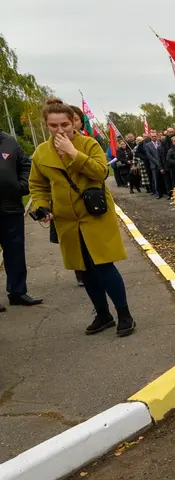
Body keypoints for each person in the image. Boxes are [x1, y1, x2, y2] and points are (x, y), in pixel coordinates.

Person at [29, 98, 135, 335]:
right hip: (67, 219)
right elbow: (38, 185)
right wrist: (42, 206)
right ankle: (103, 314)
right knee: (84, 270)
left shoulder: (88, 144)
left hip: (94, 215)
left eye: (65, 124)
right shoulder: (41, 153)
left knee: (104, 266)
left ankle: (124, 314)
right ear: (46, 125)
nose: (60, 130)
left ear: (73, 122)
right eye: (53, 126)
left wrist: (73, 153)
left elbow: (101, 172)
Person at [0, 129, 42, 310]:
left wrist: (22, 186)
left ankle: (17, 292)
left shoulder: (9, 141)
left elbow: (26, 165)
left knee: (15, 252)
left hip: (11, 208)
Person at [143, 132, 165, 198]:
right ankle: (157, 192)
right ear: (150, 137)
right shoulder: (147, 145)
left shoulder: (160, 143)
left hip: (161, 165)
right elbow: (149, 155)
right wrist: (157, 162)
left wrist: (160, 162)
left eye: (155, 136)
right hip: (154, 165)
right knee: (156, 179)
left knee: (163, 179)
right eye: (152, 136)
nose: (154, 137)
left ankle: (164, 191)